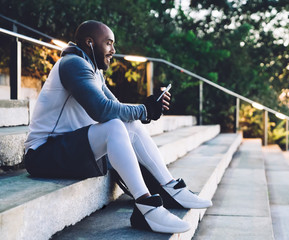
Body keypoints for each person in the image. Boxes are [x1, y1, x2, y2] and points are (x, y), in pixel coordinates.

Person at [24, 20, 211, 234]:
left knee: (127, 124)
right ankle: (146, 207)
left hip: (70, 150)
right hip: (43, 153)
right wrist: (145, 110)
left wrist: (148, 108)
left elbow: (117, 108)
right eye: (109, 43)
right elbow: (103, 111)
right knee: (113, 126)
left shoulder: (93, 69)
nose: (114, 50)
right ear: (90, 43)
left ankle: (170, 187)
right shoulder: (73, 64)